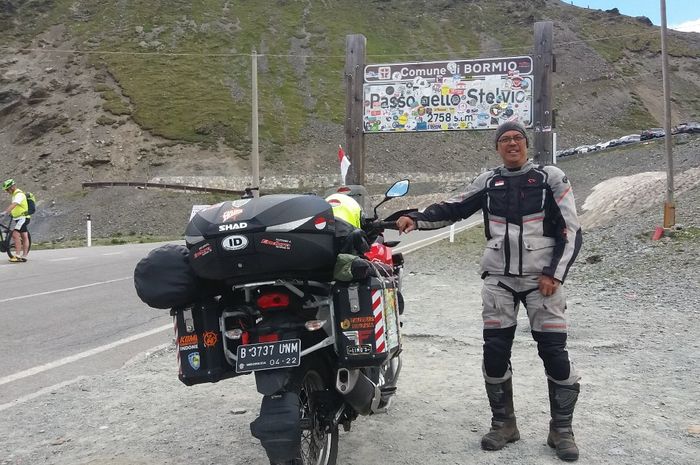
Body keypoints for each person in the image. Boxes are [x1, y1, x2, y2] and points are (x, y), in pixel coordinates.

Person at [395, 121, 583, 461]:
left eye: (517, 139)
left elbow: (572, 230)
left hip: (543, 280)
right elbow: (454, 207)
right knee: (494, 352)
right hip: (498, 279)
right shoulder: (489, 181)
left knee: (554, 353)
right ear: (497, 147)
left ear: (527, 144)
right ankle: (504, 425)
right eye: (505, 140)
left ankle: (562, 430)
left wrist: (554, 274)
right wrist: (415, 217)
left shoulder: (550, 178)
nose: (512, 144)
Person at [2, 178, 31, 262]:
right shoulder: (15, 195)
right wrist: (12, 213)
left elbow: (14, 204)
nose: (7, 191)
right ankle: (24, 256)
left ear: (12, 187)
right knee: (24, 236)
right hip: (19, 218)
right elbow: (17, 207)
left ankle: (17, 255)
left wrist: (5, 212)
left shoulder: (19, 194)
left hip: (23, 218)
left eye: (7, 189)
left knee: (15, 235)